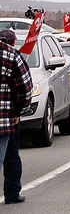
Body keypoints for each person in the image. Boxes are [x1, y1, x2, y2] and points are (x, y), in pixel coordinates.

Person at [0, 30, 31, 204]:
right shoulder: (11, 55)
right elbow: (25, 88)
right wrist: (19, 111)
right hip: (5, 119)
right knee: (10, 156)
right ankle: (12, 193)